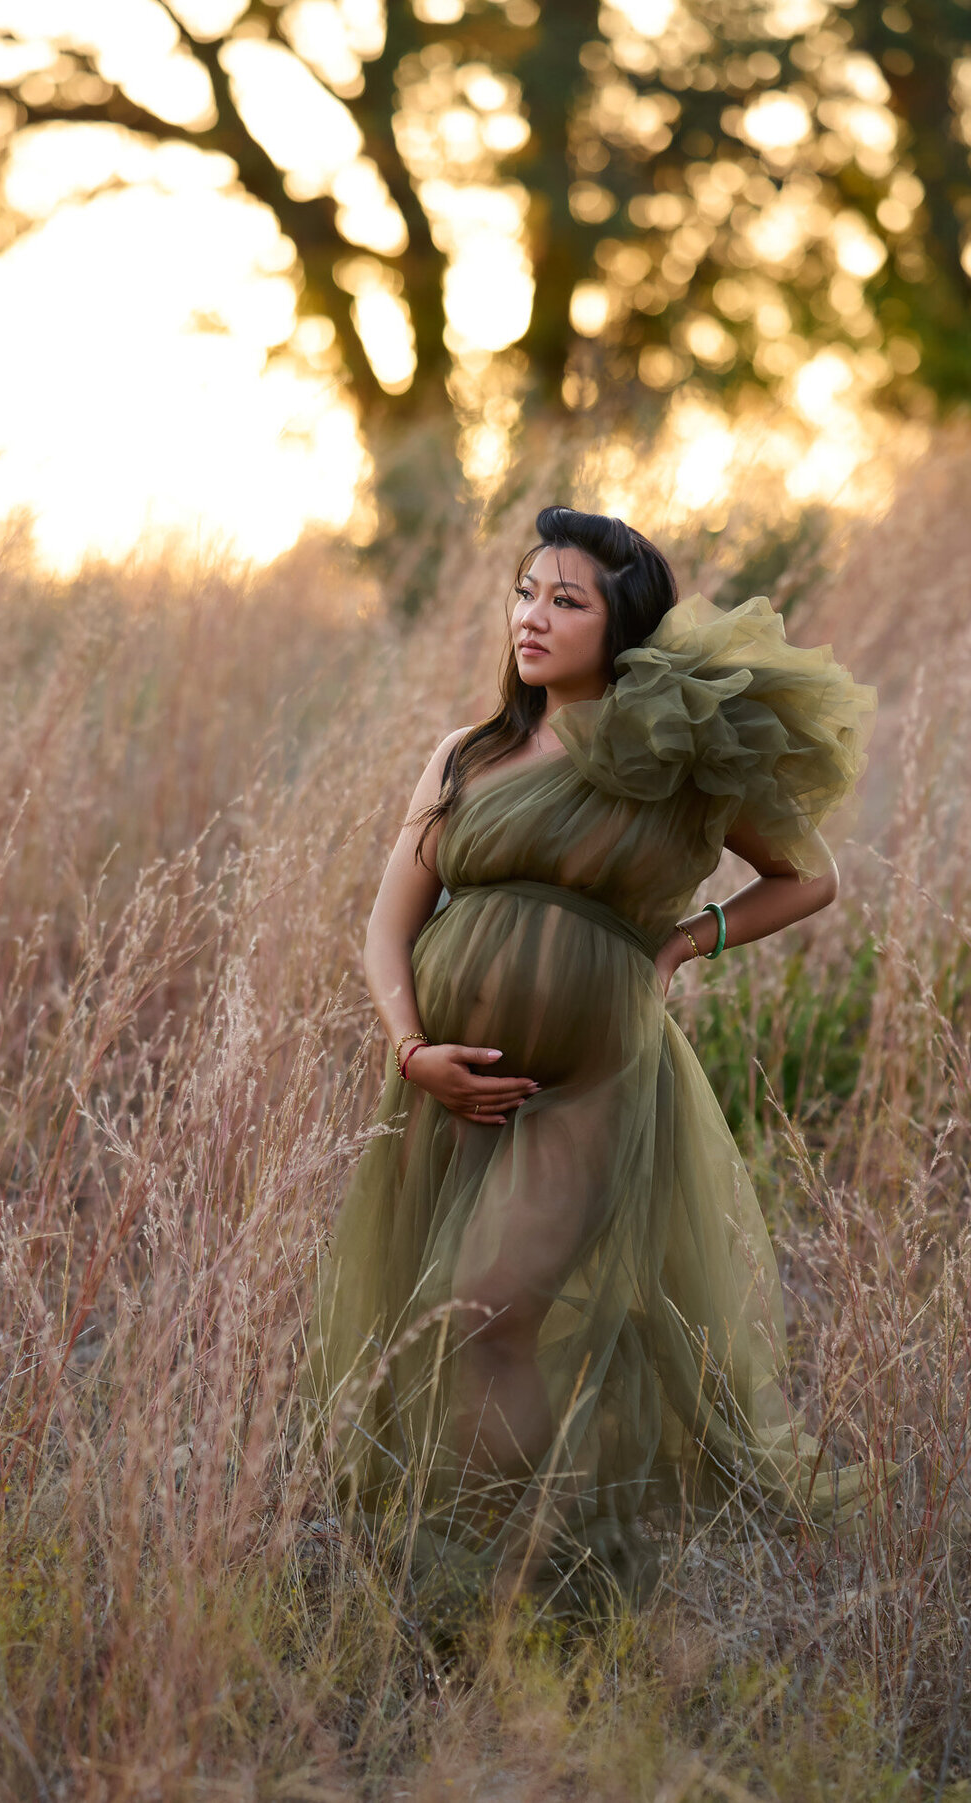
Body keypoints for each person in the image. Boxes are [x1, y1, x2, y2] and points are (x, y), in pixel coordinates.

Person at [301, 505, 901, 1620]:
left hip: (593, 1081)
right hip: (445, 1084)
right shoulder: (467, 754)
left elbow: (807, 876)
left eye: (566, 599)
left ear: (620, 626)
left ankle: (545, 1577)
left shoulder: (672, 758)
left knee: (488, 1312)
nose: (533, 615)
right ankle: (483, 1570)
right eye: (527, 591)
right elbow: (388, 927)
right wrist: (412, 1049)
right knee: (442, 1324)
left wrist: (687, 937)